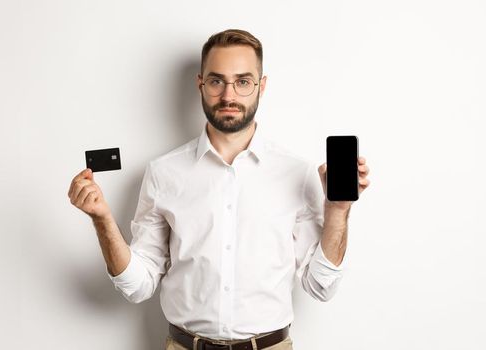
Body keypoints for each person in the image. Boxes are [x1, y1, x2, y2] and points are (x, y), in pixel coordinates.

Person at [68, 29, 371, 350]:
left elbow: (321, 287)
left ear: (261, 86)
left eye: (243, 81)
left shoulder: (297, 172)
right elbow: (137, 288)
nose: (229, 95)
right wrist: (102, 219)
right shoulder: (163, 173)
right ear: (200, 83)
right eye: (216, 81)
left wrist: (338, 210)